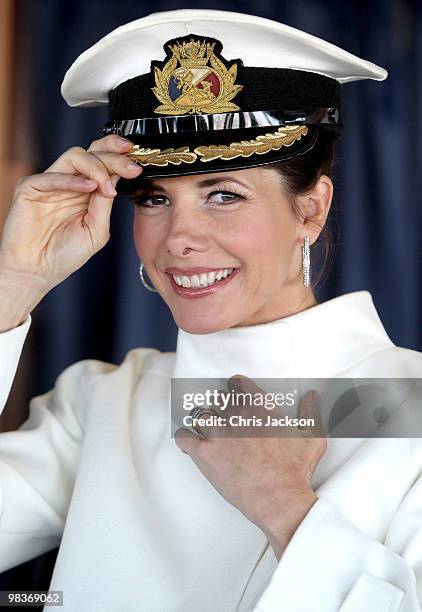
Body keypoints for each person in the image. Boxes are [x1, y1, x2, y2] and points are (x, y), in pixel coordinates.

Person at [0, 8, 421, 612]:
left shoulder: (411, 408)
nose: (178, 239)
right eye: (152, 199)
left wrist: (285, 507)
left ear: (311, 210)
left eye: (224, 195)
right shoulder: (109, 402)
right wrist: (12, 284)